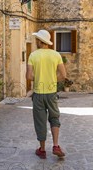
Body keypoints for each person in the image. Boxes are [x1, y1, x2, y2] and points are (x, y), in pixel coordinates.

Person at [26, 29, 67, 159]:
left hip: (38, 93)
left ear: (39, 41)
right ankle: (55, 145)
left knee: (40, 121)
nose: (36, 41)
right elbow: (63, 75)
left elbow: (28, 76)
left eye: (36, 39)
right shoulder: (56, 55)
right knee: (54, 118)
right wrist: (52, 79)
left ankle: (42, 150)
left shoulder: (33, 55)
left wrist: (38, 78)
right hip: (51, 93)